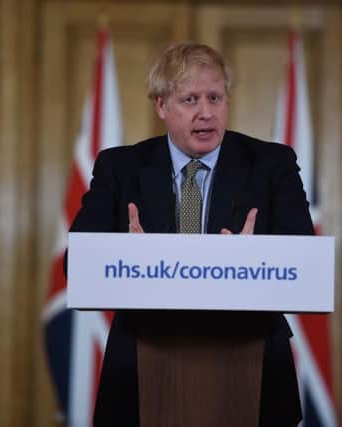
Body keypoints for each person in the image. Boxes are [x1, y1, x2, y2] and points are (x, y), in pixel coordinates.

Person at [69, 42, 314, 427]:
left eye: (215, 97)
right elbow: (77, 264)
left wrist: (253, 262)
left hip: (249, 360)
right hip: (143, 359)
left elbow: (306, 267)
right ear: (162, 106)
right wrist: (125, 257)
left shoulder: (272, 164)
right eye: (190, 99)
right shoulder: (121, 167)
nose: (206, 112)